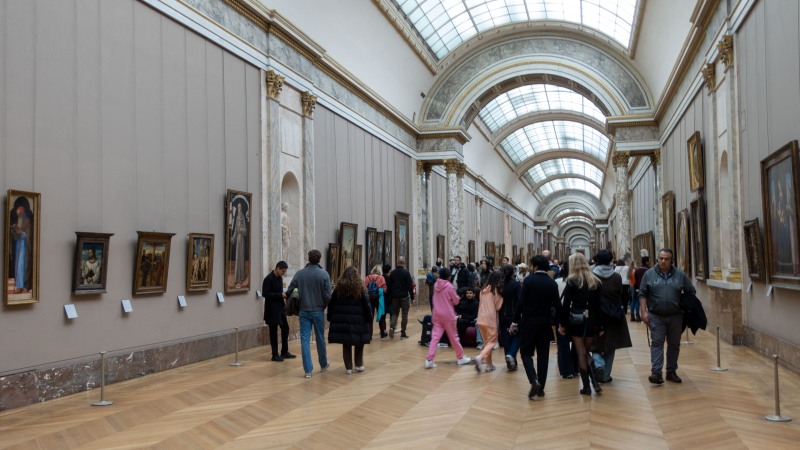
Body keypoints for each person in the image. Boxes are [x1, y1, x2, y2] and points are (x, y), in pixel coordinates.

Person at [640, 249, 696, 385]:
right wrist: (643, 312)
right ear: (657, 259)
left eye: (666, 259)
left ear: (671, 260)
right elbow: (642, 293)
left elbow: (691, 291)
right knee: (657, 343)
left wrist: (685, 306)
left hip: (675, 315)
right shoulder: (649, 274)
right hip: (656, 315)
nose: (663, 261)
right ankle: (656, 373)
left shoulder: (680, 275)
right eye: (661, 258)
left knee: (674, 344)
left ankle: (671, 371)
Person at [512, 255, 560, 399]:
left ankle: (534, 380)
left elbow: (521, 303)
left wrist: (514, 321)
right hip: (545, 323)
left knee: (525, 352)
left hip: (529, 323)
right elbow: (558, 306)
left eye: (531, 265)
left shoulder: (529, 281)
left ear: (536, 266)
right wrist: (561, 323)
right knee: (543, 355)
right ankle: (541, 389)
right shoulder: (552, 283)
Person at [558, 252, 602, 395]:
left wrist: (563, 324)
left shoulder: (572, 281)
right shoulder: (595, 281)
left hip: (577, 320)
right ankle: (595, 383)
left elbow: (566, 305)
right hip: (592, 320)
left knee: (581, 353)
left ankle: (587, 387)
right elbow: (599, 306)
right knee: (586, 351)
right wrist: (600, 326)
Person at [286, 249, 332, 378]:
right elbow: (328, 295)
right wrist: (323, 306)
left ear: (308, 258)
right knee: (320, 338)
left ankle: (307, 370)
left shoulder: (300, 274)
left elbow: (290, 290)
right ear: (319, 259)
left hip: (303, 310)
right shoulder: (324, 274)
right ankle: (323, 363)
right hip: (318, 310)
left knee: (305, 340)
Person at [591, 250, 632, 383]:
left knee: (595, 343)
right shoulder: (616, 277)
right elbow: (619, 294)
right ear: (610, 260)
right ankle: (606, 375)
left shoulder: (591, 276)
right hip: (613, 314)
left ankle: (599, 364)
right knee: (611, 344)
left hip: (596, 314)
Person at [425, 267, 473, 368]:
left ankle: (429, 360)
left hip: (436, 314)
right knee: (454, 337)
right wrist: (458, 297)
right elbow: (456, 301)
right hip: (448, 315)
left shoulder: (436, 285)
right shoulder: (449, 286)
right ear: (449, 277)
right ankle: (460, 357)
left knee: (435, 338)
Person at [328, 266, 373, 374]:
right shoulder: (361, 287)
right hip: (359, 321)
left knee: (346, 344)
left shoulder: (338, 288)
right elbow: (367, 305)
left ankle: (348, 368)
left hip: (343, 321)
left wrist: (330, 317)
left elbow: (331, 304)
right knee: (359, 342)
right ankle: (358, 364)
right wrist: (369, 318)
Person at [262, 261, 296, 362]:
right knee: (273, 332)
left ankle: (284, 352)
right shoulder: (268, 279)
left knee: (285, 328)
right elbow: (265, 294)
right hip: (272, 310)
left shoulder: (280, 278)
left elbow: (279, 292)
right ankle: (275, 354)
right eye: (283, 271)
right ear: (277, 268)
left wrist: (284, 295)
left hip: (280, 308)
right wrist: (280, 295)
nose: (283, 273)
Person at [475, 270, 504, 373]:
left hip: (480, 318)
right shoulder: (496, 291)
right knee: (492, 341)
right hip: (490, 319)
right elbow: (498, 307)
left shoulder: (482, 290)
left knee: (487, 343)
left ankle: (489, 365)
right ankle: (480, 357)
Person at [500, 264, 521, 371]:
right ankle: (511, 354)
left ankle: (511, 364)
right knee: (518, 336)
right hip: (513, 314)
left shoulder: (500, 285)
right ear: (513, 272)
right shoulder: (516, 284)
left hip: (502, 314)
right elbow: (519, 301)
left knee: (506, 339)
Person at [387, 257, 414, 339]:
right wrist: (412, 297)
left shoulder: (392, 273)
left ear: (397, 262)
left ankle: (392, 327)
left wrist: (390, 296)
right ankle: (403, 333)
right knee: (404, 315)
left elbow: (389, 286)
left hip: (395, 297)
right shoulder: (406, 273)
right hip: (404, 296)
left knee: (395, 313)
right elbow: (410, 286)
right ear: (404, 263)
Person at [10, 203, 33, 293]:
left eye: (20, 214)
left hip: (24, 245)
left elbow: (28, 234)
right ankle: (19, 286)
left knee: (21, 265)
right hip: (18, 244)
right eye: (18, 214)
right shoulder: (20, 218)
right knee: (17, 264)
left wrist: (21, 233)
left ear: (22, 212)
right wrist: (15, 230)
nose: (19, 215)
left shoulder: (27, 220)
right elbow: (18, 233)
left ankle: (23, 286)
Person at [364, 265, 388, 337]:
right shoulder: (381, 278)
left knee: (370, 316)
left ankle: (369, 335)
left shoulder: (367, 277)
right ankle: (382, 333)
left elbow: (364, 288)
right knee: (380, 314)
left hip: (370, 298)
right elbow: (385, 289)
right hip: (379, 298)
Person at [231, 201, 248, 288]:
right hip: (238, 239)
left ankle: (241, 278)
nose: (239, 209)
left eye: (240, 207)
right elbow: (235, 231)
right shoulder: (237, 217)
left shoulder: (243, 217)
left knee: (241, 258)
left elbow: (245, 230)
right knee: (237, 258)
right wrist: (233, 239)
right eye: (238, 208)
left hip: (242, 240)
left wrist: (242, 230)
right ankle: (237, 278)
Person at [632, 256, 650, 322]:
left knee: (637, 302)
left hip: (638, 288)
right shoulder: (649, 270)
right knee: (647, 303)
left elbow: (635, 280)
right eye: (648, 261)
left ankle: (637, 315)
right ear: (646, 262)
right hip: (647, 289)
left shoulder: (637, 270)